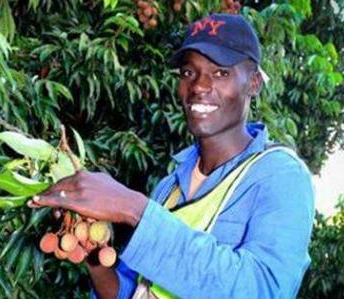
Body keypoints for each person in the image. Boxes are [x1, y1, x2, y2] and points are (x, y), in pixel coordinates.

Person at [28, 13, 314, 299]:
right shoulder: (169, 188)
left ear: (253, 84)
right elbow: (135, 291)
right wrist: (95, 261)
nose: (199, 86)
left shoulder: (281, 176)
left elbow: (263, 289)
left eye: (220, 73)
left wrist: (133, 208)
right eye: (189, 73)